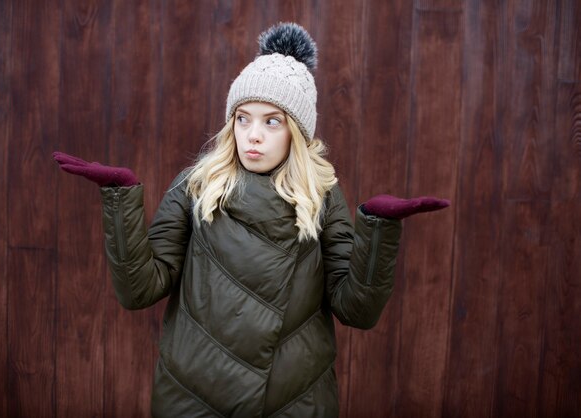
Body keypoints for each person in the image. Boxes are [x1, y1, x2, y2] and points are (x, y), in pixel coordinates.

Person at [54, 22, 449, 418]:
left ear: (296, 131)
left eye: (271, 121)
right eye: (243, 118)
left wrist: (378, 229)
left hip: (294, 401)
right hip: (193, 399)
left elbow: (357, 310)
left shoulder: (322, 197)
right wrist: (119, 198)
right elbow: (138, 290)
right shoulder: (198, 186)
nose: (252, 135)